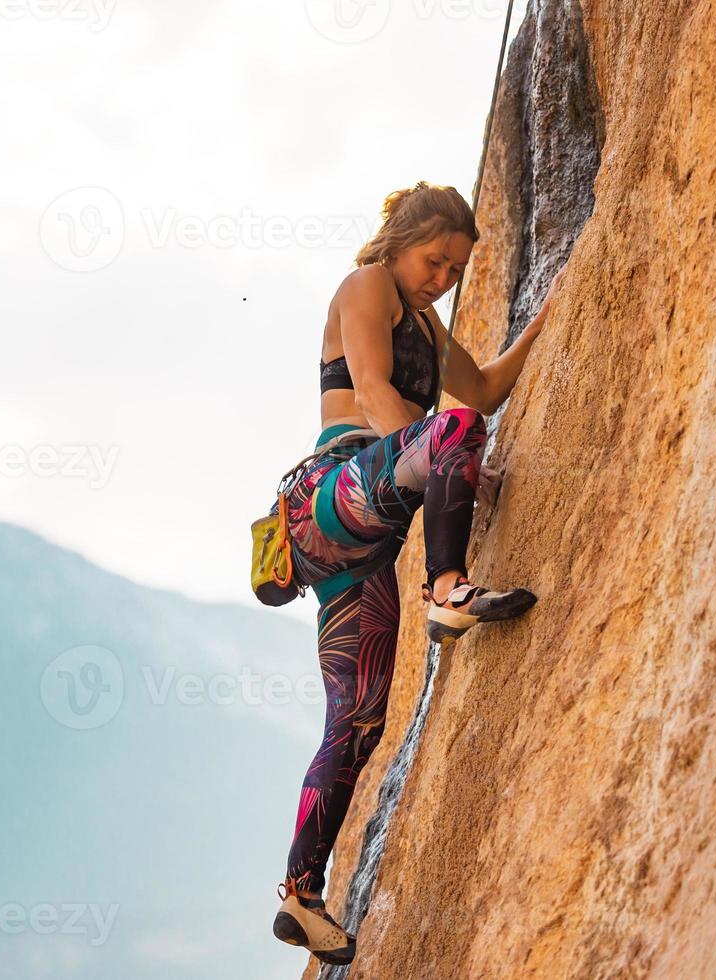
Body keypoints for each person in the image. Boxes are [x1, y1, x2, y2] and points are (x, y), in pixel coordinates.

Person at [270, 182, 564, 964]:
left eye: (455, 269)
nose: (441, 278)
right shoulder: (366, 285)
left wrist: (544, 321)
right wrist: (443, 457)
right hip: (327, 497)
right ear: (400, 242)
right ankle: (448, 590)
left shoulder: (431, 329)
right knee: (454, 431)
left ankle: (299, 895)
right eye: (434, 260)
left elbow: (488, 388)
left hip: (358, 548)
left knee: (358, 722)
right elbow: (370, 391)